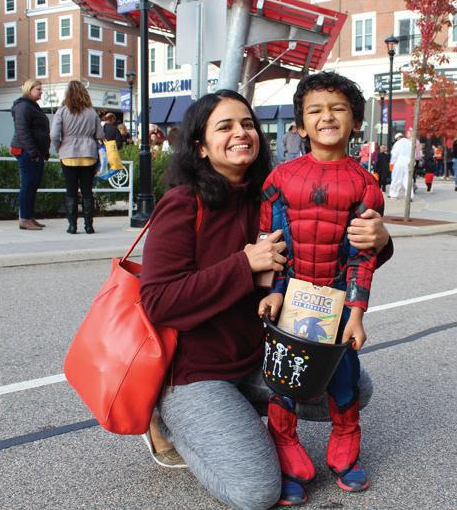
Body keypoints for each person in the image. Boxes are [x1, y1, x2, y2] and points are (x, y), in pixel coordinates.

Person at [139, 89, 392, 510]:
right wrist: (244, 264)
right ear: (200, 147)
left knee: (356, 388)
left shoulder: (273, 191)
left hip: (260, 356)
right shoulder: (182, 204)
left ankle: (240, 412)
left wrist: (379, 239)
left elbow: (328, 255)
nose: (241, 133)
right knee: (256, 491)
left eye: (247, 124)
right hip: (197, 373)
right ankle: (171, 423)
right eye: (225, 127)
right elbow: (159, 301)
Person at [257, 72, 385, 505]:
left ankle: (346, 452)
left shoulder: (366, 185)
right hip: (290, 297)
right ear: (300, 124)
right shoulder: (279, 179)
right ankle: (286, 456)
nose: (326, 117)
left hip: (338, 298)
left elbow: (362, 257)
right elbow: (270, 240)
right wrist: (273, 289)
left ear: (355, 121)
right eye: (315, 110)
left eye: (338, 109)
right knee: (284, 379)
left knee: (344, 379)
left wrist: (357, 314)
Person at [50, 80, 103, 234]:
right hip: (89, 154)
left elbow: (54, 135)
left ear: (68, 94)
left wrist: (59, 147)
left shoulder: (62, 111)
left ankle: (72, 226)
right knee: (87, 191)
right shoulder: (92, 112)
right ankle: (89, 226)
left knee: (71, 190)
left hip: (68, 154)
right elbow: (100, 135)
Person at [10, 79, 50, 231]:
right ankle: (25, 219)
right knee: (28, 184)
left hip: (34, 151)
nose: (41, 92)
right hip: (27, 151)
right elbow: (23, 131)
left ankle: (29, 216)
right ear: (29, 89)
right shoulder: (23, 106)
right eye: (38, 89)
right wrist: (33, 152)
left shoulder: (31, 106)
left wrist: (43, 151)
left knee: (32, 185)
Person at [388, 129, 413, 199]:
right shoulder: (410, 142)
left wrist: (391, 163)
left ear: (397, 138)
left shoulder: (397, 143)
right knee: (408, 179)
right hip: (409, 162)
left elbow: (394, 155)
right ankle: (409, 196)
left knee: (396, 178)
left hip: (399, 161)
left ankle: (393, 194)